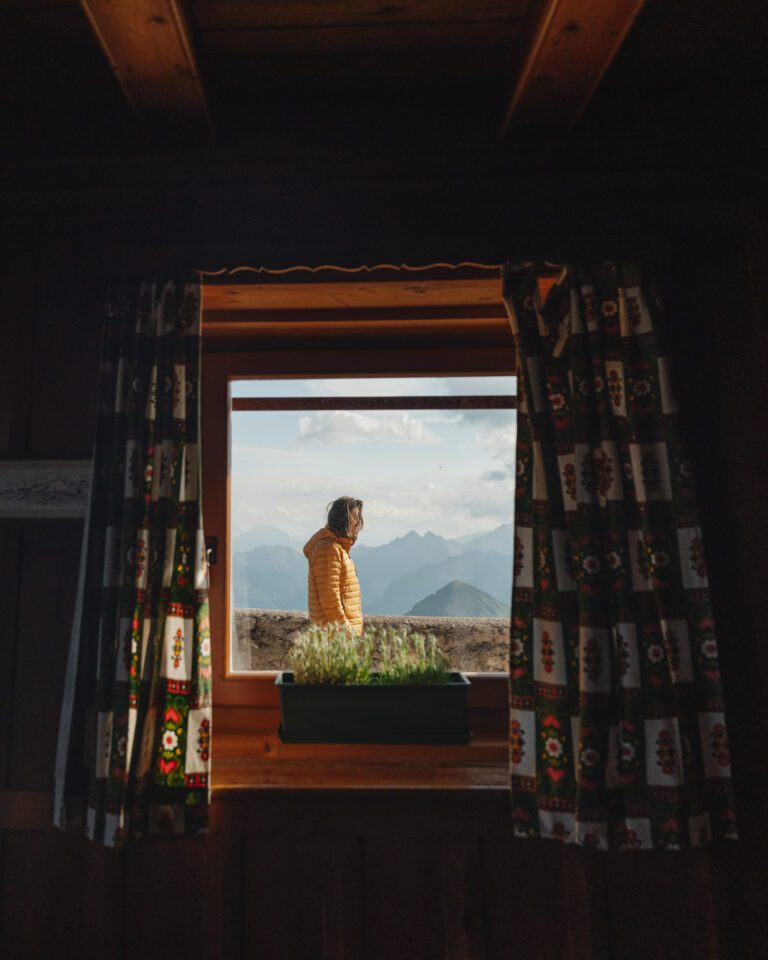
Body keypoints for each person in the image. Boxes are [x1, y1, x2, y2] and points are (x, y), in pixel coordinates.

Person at [303, 496, 364, 635]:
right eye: (355, 518)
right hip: (335, 636)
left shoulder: (337, 548)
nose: (358, 524)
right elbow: (329, 598)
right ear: (342, 520)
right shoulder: (328, 549)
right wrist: (347, 633)